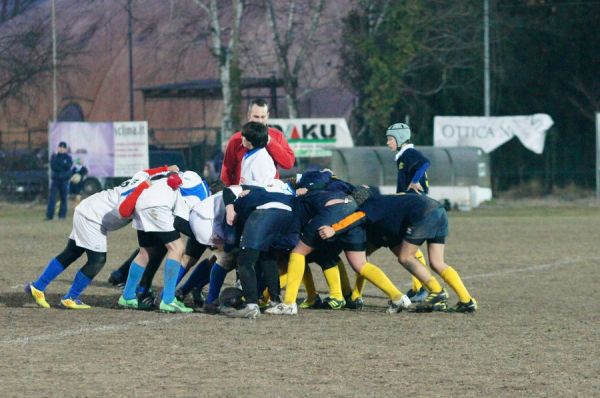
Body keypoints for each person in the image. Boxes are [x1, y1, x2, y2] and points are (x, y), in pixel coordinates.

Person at [25, 165, 178, 309]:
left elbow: (148, 171)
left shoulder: (142, 177)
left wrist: (166, 169)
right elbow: (123, 211)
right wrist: (141, 189)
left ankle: (38, 287)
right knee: (97, 260)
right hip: (93, 217)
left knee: (71, 252)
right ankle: (70, 297)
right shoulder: (145, 191)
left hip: (88, 208)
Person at [266, 170, 411, 315]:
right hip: (354, 212)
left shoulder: (298, 198)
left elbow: (294, 232)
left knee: (298, 252)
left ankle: (289, 304)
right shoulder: (333, 184)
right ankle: (398, 296)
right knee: (360, 264)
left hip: (335, 210)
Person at [319, 188, 478, 313]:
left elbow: (357, 217)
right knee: (437, 262)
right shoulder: (386, 208)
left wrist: (334, 229)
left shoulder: (371, 204)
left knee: (405, 257)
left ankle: (437, 291)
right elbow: (365, 256)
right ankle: (467, 300)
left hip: (424, 213)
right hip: (438, 210)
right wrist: (356, 295)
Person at [386, 123, 431, 302]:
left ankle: (423, 286)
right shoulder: (402, 156)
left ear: (401, 139)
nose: (388, 143)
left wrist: (414, 181)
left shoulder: (409, 153)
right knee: (408, 246)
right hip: (408, 203)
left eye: (390, 139)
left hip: (415, 204)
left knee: (408, 247)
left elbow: (425, 163)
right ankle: (418, 286)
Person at [220, 99, 295, 186]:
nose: (259, 121)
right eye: (256, 117)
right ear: (249, 115)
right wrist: (233, 192)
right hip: (242, 192)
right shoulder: (236, 139)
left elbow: (288, 163)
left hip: (269, 190)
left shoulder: (277, 136)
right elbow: (227, 171)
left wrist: (270, 142)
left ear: (267, 116)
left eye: (263, 117)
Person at [46, 141, 73, 220]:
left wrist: (61, 166)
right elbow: (54, 166)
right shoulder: (54, 156)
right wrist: (62, 166)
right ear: (58, 148)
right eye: (60, 147)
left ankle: (62, 215)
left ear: (65, 149)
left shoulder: (68, 158)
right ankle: (49, 215)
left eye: (63, 148)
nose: (61, 149)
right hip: (55, 180)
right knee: (52, 198)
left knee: (64, 198)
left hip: (64, 180)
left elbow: (68, 166)